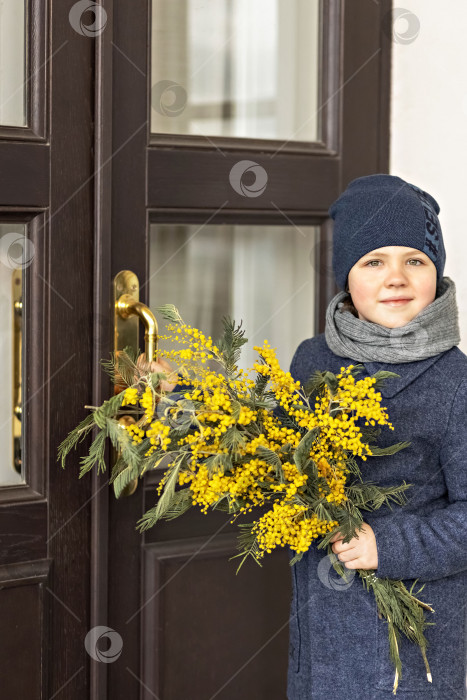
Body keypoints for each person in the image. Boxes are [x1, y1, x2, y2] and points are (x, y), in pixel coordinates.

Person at [287, 174, 467, 700]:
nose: (396, 278)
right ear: (347, 277)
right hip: (320, 625)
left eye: (416, 260)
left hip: (410, 642)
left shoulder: (455, 381)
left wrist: (385, 544)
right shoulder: (310, 359)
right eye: (374, 261)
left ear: (437, 274)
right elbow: (270, 444)